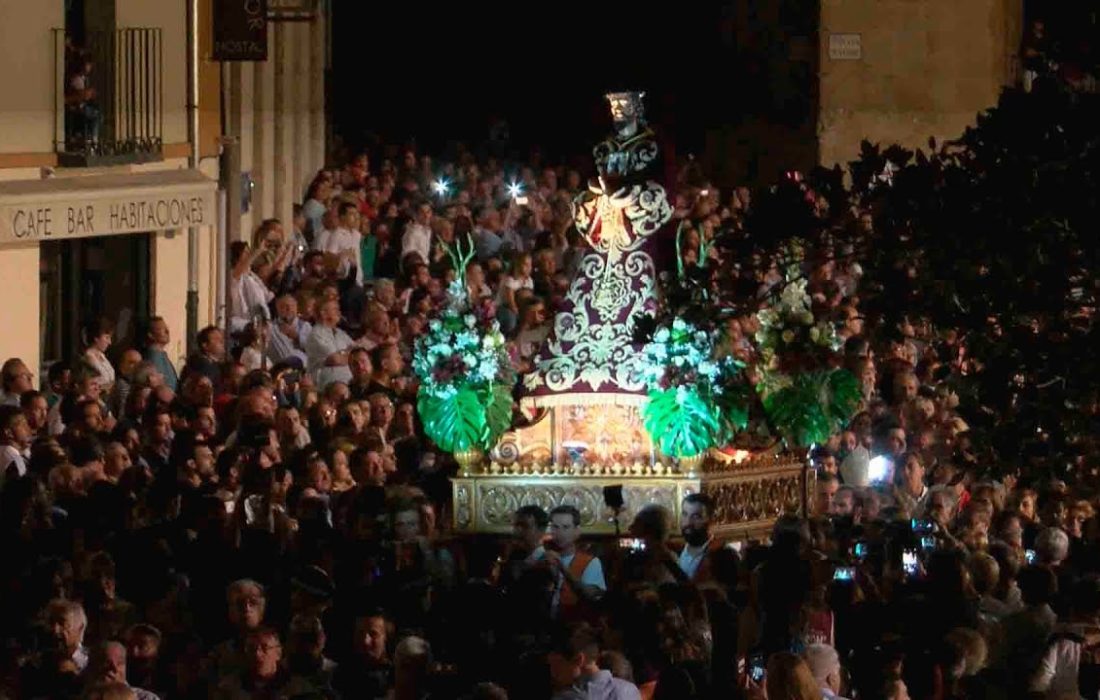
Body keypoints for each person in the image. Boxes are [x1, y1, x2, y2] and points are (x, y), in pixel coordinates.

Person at [548, 621, 641, 700]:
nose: (553, 673)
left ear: (578, 660)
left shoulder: (566, 697)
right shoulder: (629, 690)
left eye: (556, 665)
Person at [305, 299, 357, 389]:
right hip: (328, 384)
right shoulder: (316, 334)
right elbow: (335, 359)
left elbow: (356, 353)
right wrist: (347, 352)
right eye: (335, 309)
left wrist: (342, 353)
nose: (339, 312)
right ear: (323, 313)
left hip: (349, 382)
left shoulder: (341, 333)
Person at [143, 317, 178, 392]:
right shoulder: (153, 357)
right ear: (151, 335)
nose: (167, 331)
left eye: (166, 328)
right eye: (161, 329)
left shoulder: (161, 354)